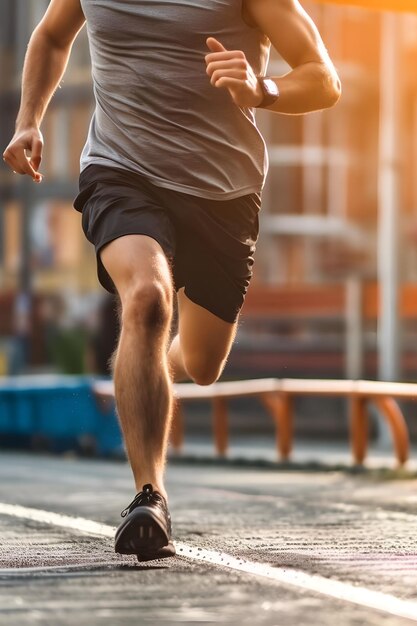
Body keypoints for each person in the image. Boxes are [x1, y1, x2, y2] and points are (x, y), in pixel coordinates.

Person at [3, 0, 341, 561]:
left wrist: (262, 89)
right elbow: (53, 36)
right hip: (121, 170)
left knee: (204, 365)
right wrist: (28, 121)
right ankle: (149, 495)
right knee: (148, 300)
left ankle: (148, 362)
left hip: (222, 191)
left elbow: (323, 79)